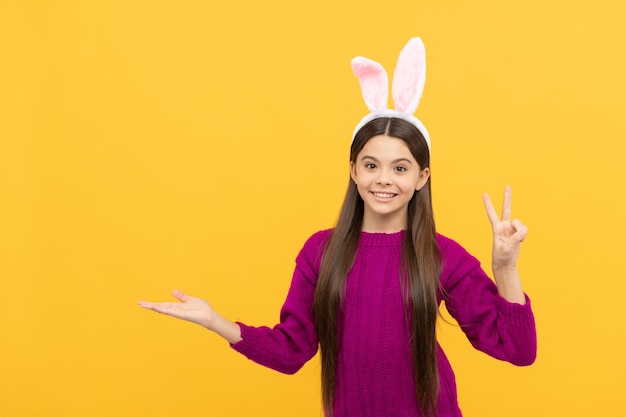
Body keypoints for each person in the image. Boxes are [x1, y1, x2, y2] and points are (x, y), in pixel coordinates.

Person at [138, 38, 536, 417]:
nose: (383, 179)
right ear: (353, 171)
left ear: (421, 177)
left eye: (400, 168)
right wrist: (215, 321)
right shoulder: (320, 252)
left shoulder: (443, 255)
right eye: (370, 165)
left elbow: (518, 350)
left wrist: (505, 268)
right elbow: (291, 351)